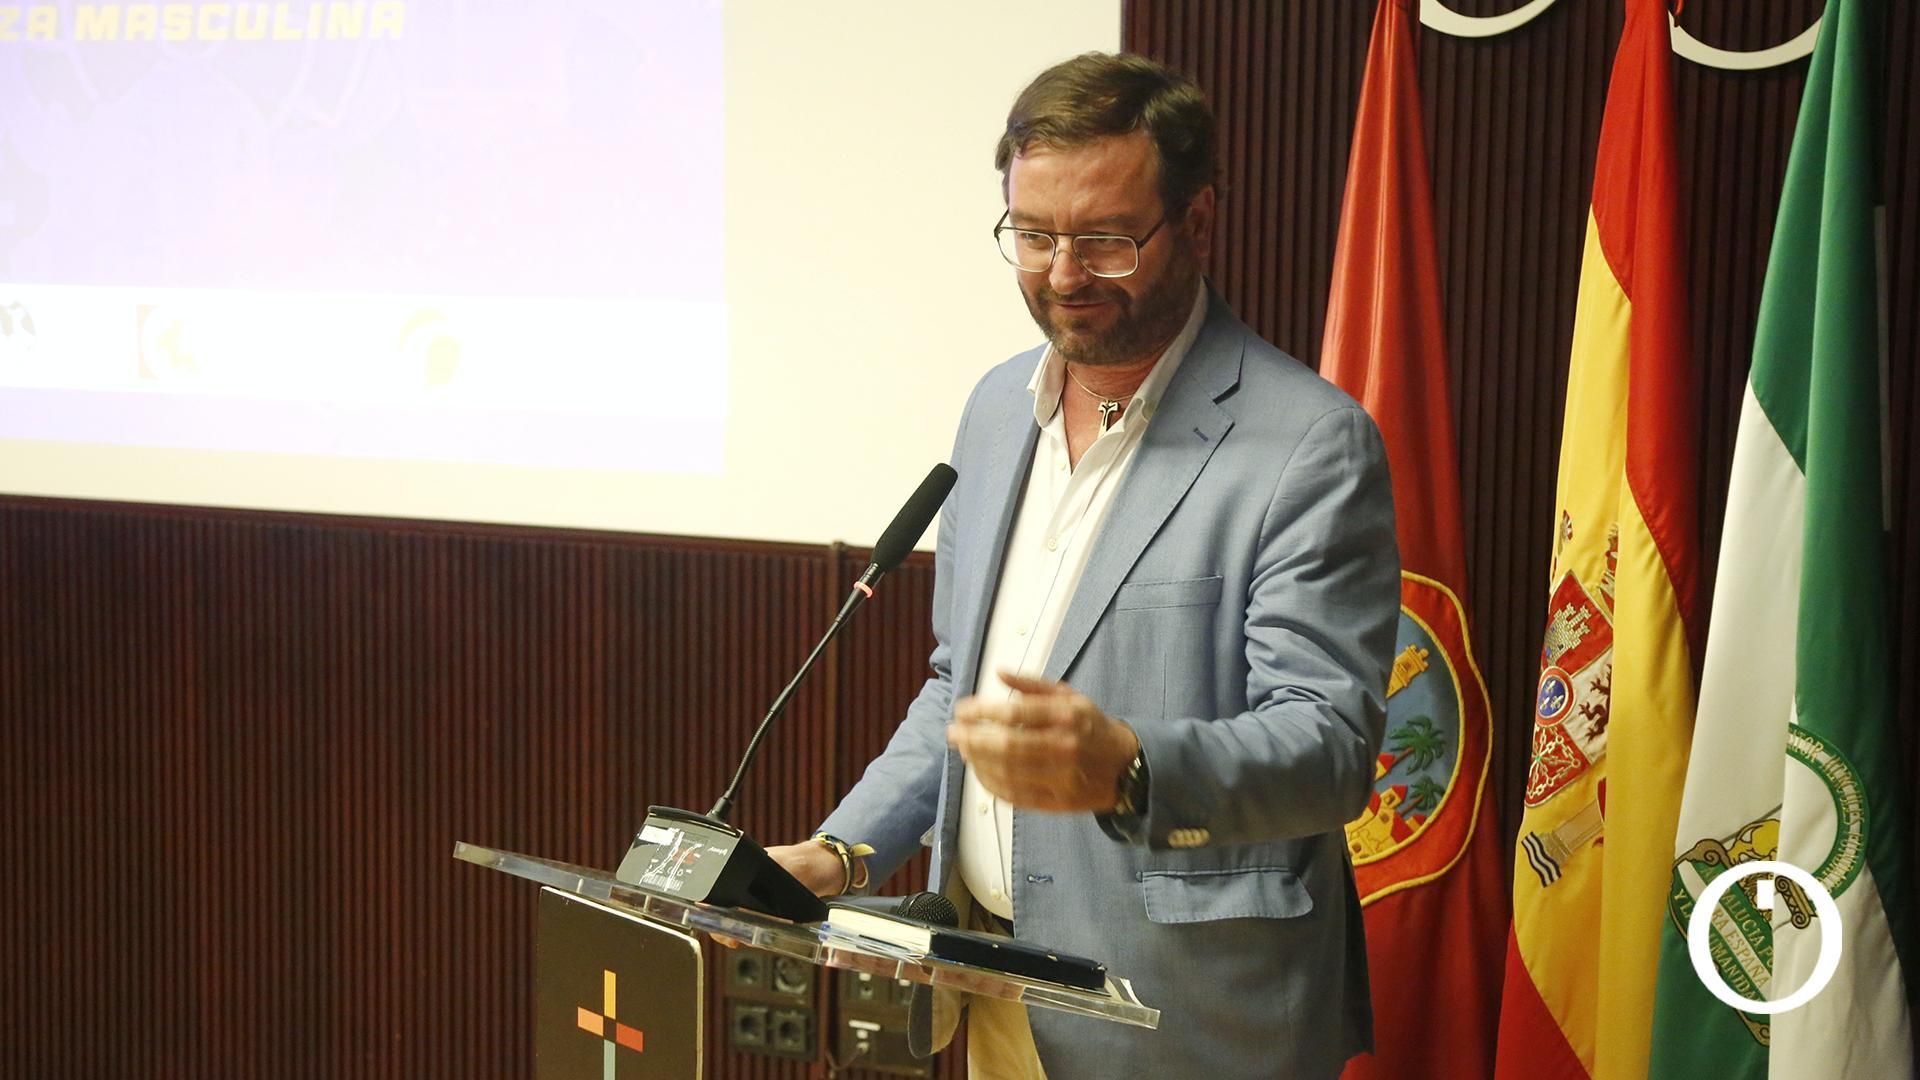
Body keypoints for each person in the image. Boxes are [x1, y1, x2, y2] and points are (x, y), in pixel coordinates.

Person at [769, 51, 1399, 1080]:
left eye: (1104, 239)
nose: (1062, 273)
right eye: (1033, 236)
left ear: (1196, 222)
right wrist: (839, 853)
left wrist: (1131, 768)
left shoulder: (1307, 445)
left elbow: (1329, 744)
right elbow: (958, 696)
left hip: (1186, 1018)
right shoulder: (992, 409)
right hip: (989, 990)